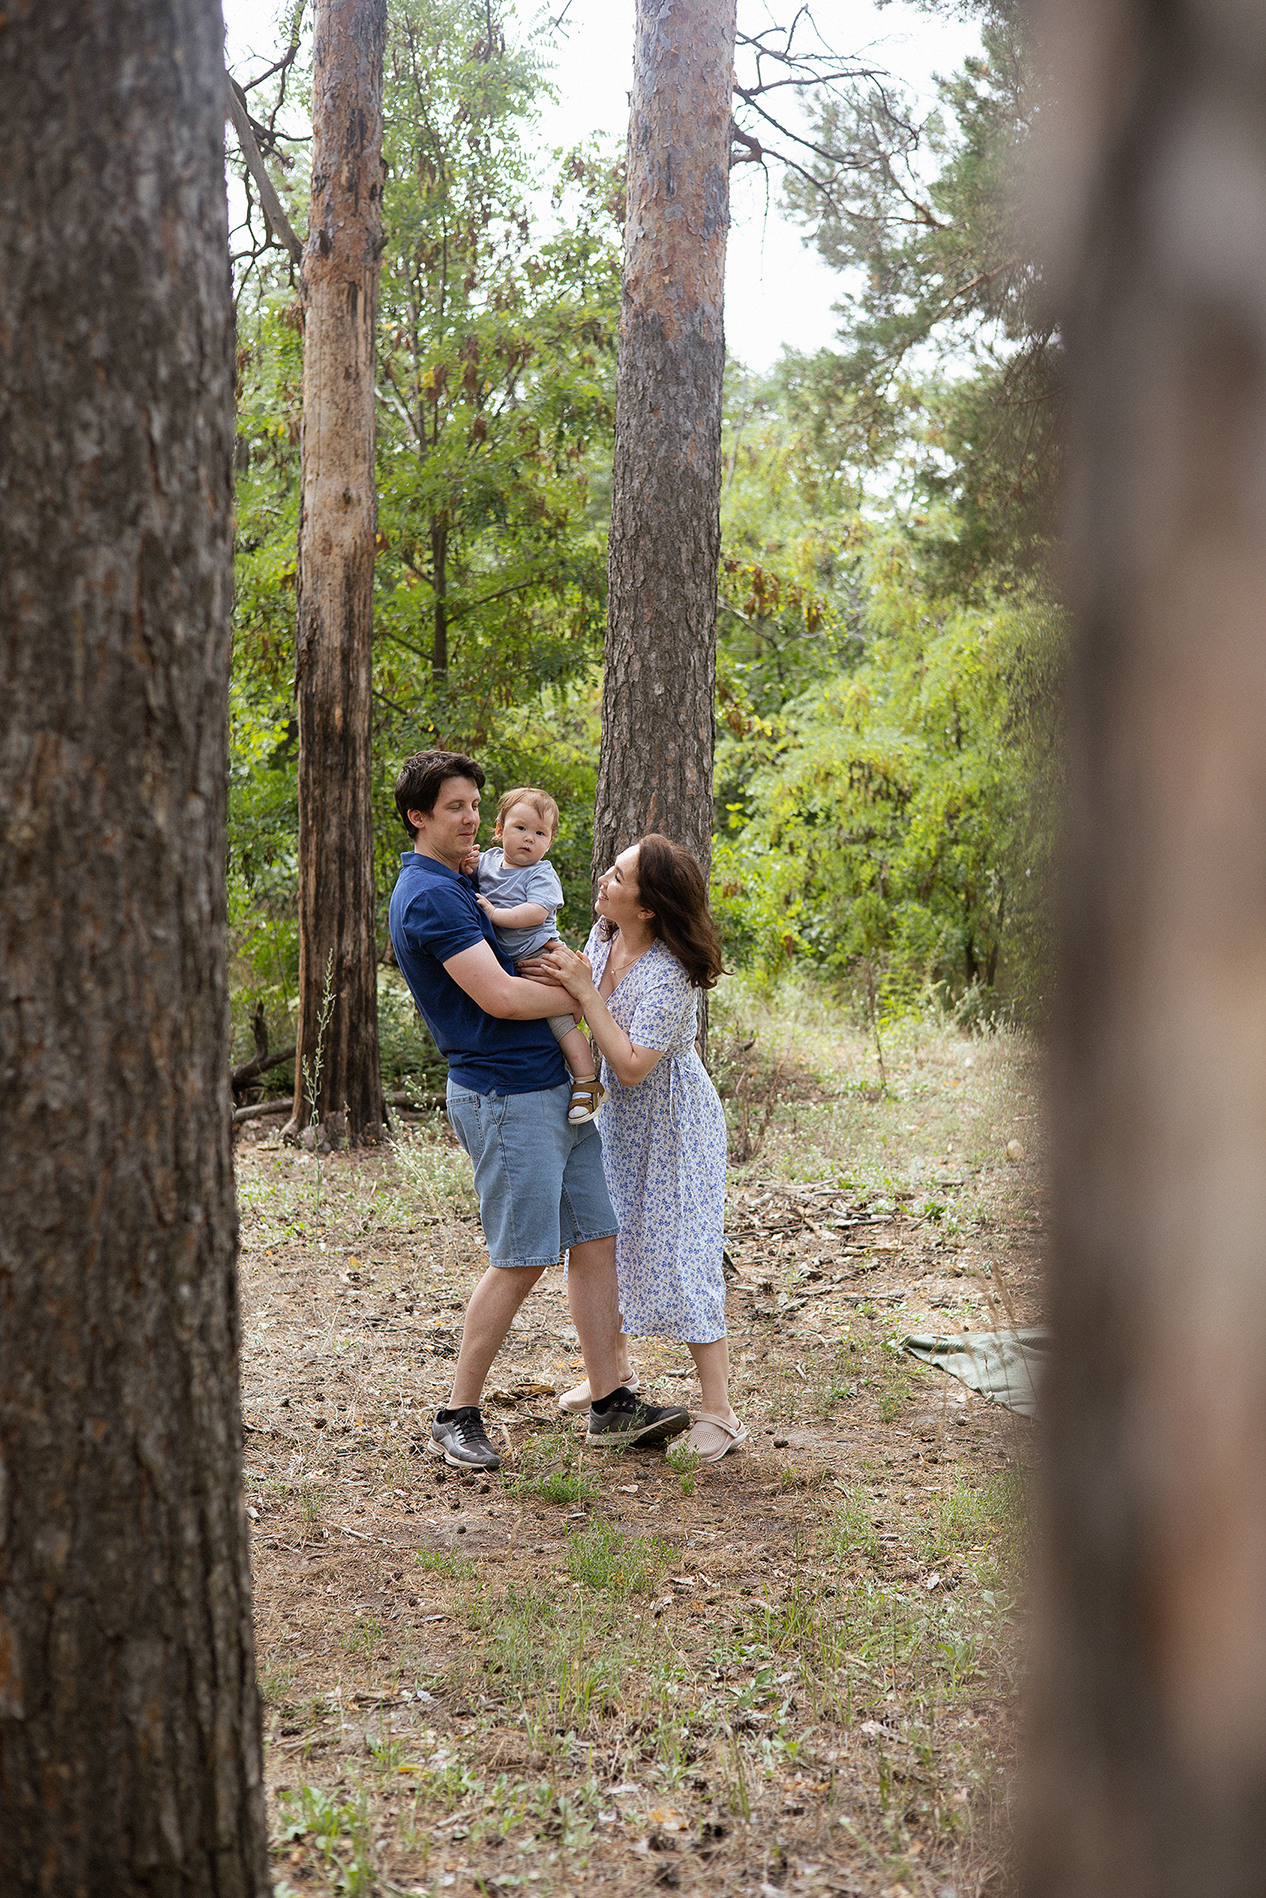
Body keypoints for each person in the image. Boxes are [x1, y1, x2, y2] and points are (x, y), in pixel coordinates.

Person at [387, 751, 689, 1471]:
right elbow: (502, 997)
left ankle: (612, 1403)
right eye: (453, 807)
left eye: (472, 805)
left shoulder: (470, 877)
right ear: (418, 816)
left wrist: (594, 996)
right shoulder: (429, 895)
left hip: (555, 1087)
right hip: (503, 1096)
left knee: (594, 1239)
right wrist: (598, 996)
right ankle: (456, 1413)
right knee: (520, 1258)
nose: (467, 819)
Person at [535, 834, 747, 1463]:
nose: (606, 878)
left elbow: (630, 1064)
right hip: (619, 1125)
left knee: (684, 1256)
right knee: (611, 1244)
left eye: (620, 875)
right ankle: (614, 1380)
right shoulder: (604, 936)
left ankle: (720, 1412)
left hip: (675, 1125)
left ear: (649, 905)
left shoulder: (671, 972)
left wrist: (584, 990)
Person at [462, 786, 604, 1124]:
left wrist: (494, 915)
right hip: (512, 964)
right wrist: (467, 866)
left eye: (540, 833)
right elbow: (469, 875)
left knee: (559, 1023)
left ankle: (587, 1081)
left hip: (542, 955)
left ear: (549, 842)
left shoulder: (541, 873)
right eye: (521, 828)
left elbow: (536, 912)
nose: (529, 839)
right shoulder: (489, 862)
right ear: (499, 830)